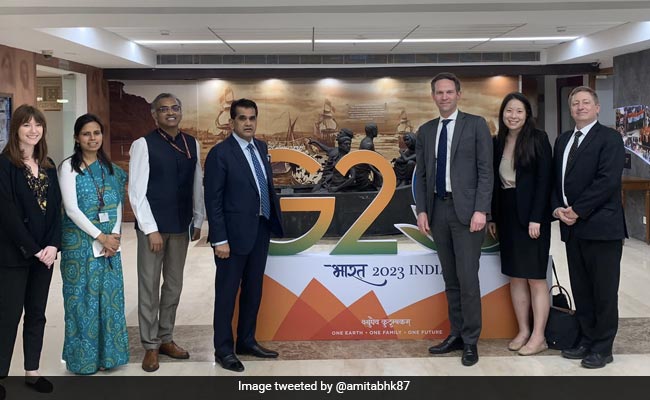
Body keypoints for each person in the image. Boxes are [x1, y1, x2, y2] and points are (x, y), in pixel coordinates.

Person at [415, 72, 493, 366]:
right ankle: (456, 334)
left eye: (449, 92)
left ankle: (471, 341)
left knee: (468, 279)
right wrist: (422, 210)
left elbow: (485, 170)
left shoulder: (476, 125)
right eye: (439, 92)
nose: (444, 97)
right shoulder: (426, 131)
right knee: (450, 279)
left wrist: (481, 210)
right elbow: (422, 175)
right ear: (433, 96)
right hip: (438, 211)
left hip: (468, 214)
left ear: (459, 94)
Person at [204, 98, 283, 372]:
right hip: (231, 237)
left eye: (252, 118)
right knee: (226, 294)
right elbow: (213, 200)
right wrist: (219, 239)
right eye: (242, 118)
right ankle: (223, 350)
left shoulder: (261, 147)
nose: (248, 123)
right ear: (232, 122)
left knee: (253, 289)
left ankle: (247, 341)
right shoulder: (220, 154)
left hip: (260, 229)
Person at [128, 93, 205, 372]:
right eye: (163, 109)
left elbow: (197, 183)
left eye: (175, 107)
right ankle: (150, 345)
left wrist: (198, 218)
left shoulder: (192, 143)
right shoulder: (143, 145)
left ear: (181, 111)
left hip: (181, 226)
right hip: (154, 230)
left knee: (173, 285)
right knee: (149, 287)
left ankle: (166, 338)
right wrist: (151, 229)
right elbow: (136, 192)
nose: (170, 112)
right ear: (155, 115)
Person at [552, 86, 626, 369]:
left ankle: (603, 347)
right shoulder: (563, 140)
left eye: (586, 102)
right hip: (572, 229)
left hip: (602, 227)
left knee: (603, 291)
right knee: (581, 289)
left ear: (597, 108)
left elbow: (607, 181)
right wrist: (557, 208)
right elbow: (556, 180)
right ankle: (586, 338)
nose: (580, 107)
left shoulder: (610, 138)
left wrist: (577, 210)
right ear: (570, 109)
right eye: (575, 103)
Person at [58, 114, 129, 374]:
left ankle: (109, 358)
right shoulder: (68, 167)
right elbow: (71, 209)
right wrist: (101, 237)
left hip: (110, 246)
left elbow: (117, 203)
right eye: (86, 133)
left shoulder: (110, 169)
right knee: (82, 302)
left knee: (109, 300)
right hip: (80, 245)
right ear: (77, 138)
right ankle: (83, 361)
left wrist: (114, 237)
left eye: (97, 133)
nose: (92, 138)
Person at [0, 104, 61, 395]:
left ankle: (32, 372)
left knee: (37, 314)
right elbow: (7, 213)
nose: (33, 130)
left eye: (38, 124)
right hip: (13, 255)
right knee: (8, 316)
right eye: (26, 124)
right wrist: (34, 249)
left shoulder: (48, 165)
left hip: (44, 257)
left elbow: (56, 211)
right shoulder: (5, 165)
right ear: (16, 129)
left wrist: (52, 245)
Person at [487, 92, 553, 356]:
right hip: (507, 214)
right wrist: (493, 217)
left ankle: (539, 336)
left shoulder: (538, 139)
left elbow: (545, 181)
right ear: (502, 114)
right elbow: (494, 183)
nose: (513, 116)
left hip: (533, 217)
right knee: (515, 276)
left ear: (527, 115)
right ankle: (524, 330)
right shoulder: (497, 142)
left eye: (519, 111)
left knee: (535, 277)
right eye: (509, 111)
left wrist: (537, 217)